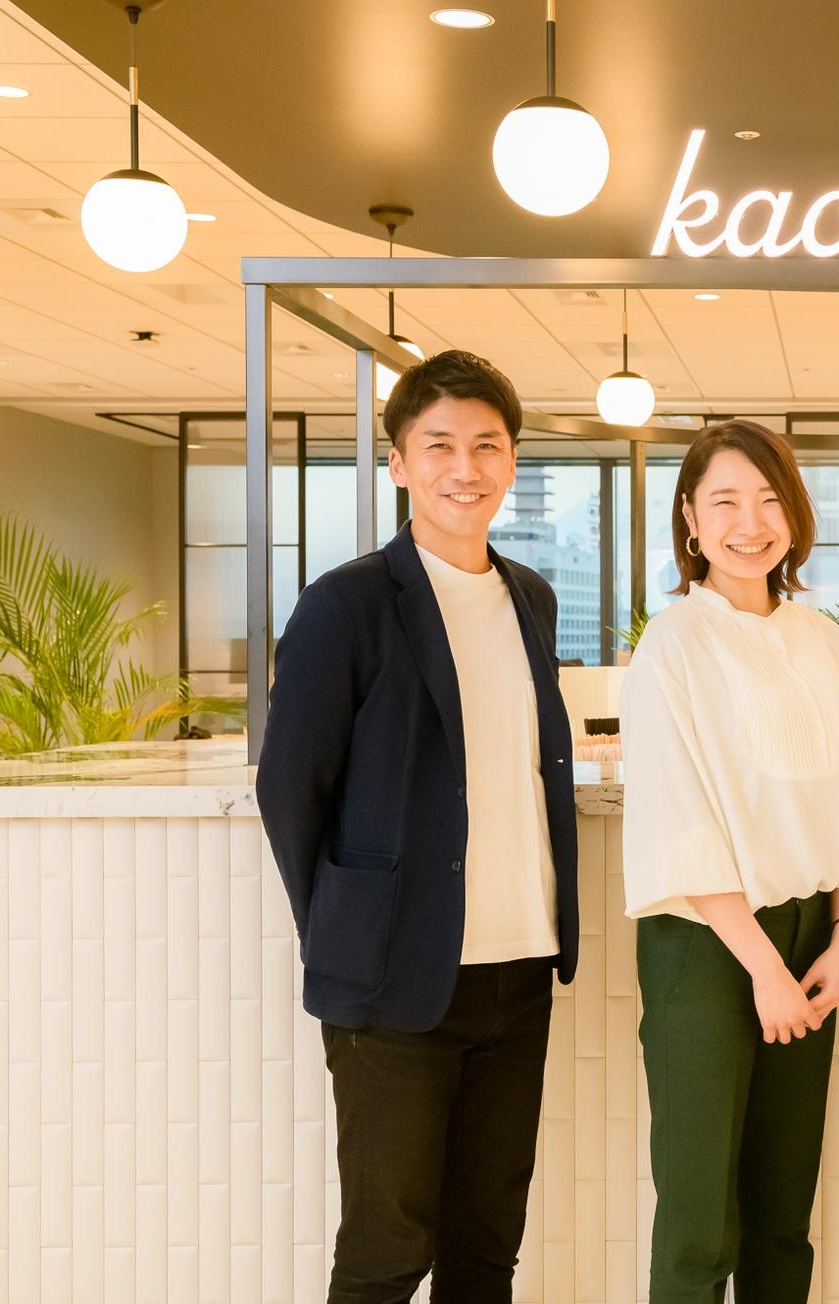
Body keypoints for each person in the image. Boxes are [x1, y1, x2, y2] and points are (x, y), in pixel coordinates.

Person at [256, 349, 579, 1303]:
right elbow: (290, 788)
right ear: (398, 462)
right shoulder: (346, 603)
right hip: (392, 980)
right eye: (438, 445)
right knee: (387, 1253)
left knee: (486, 1250)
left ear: (512, 461)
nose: (464, 468)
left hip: (519, 970)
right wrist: (349, 929)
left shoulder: (531, 597)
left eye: (486, 445)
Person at [620, 419, 839, 1304]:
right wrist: (764, 967)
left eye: (769, 500)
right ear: (691, 520)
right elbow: (680, 819)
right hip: (706, 946)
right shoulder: (673, 644)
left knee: (781, 1214)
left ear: (794, 515)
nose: (750, 523)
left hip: (811, 940)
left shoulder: (823, 641)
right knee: (699, 1225)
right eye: (724, 501)